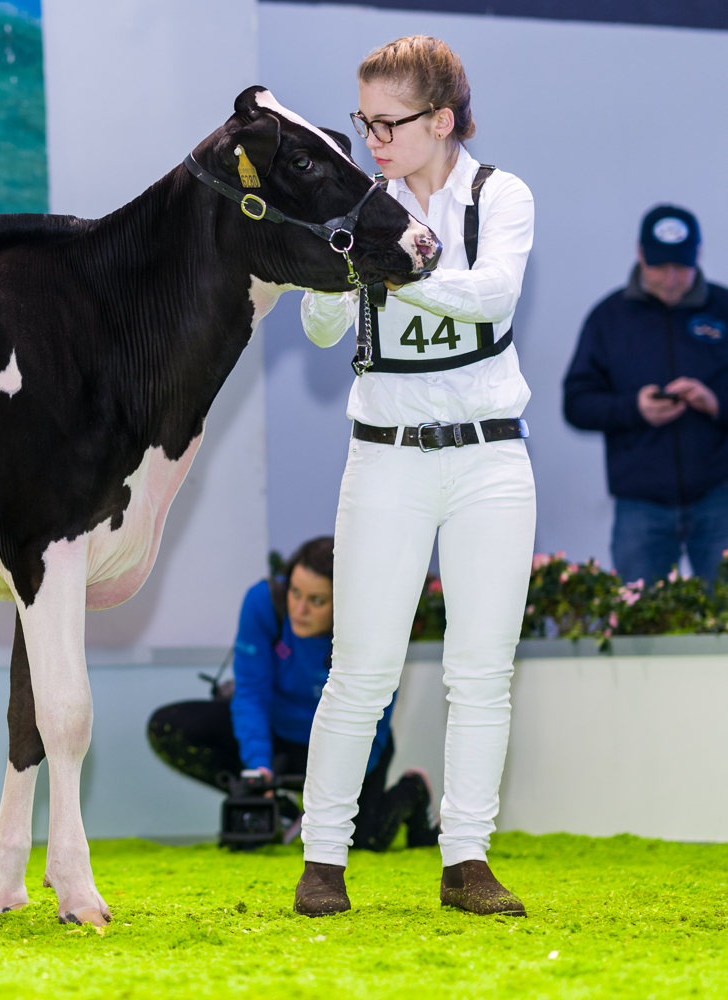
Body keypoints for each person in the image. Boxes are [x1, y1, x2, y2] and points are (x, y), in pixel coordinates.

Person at [295, 36, 535, 917]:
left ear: (441, 120)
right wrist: (335, 264)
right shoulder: (359, 206)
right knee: (360, 670)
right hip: (384, 458)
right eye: (363, 123)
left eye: (387, 123)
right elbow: (321, 330)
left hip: (490, 458)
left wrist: (392, 264)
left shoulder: (500, 195)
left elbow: (491, 297)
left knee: (481, 672)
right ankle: (322, 860)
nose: (372, 141)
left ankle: (465, 859)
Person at [146, 537, 437, 853]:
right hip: (277, 735)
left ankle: (414, 789)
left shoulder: (374, 633)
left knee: (363, 842)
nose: (299, 609)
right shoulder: (264, 602)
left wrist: (330, 799)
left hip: (347, 744)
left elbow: (374, 724)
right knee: (169, 726)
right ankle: (281, 810)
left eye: (316, 601)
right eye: (295, 592)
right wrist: (258, 770)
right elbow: (251, 693)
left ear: (345, 604)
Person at [563, 206, 728, 585]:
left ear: (698, 254)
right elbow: (576, 404)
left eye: (680, 266)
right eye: (659, 266)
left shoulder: (723, 308)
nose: (670, 278)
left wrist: (716, 402)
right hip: (640, 505)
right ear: (640, 254)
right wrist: (633, 408)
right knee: (638, 613)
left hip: (719, 496)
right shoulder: (609, 317)